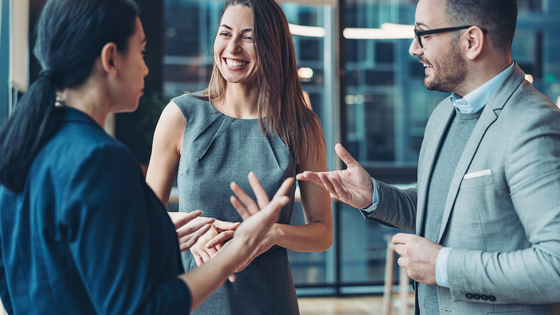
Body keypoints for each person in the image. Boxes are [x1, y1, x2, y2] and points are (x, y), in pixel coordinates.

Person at [0, 0, 294, 314]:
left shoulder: (24, 146)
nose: (146, 68)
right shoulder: (101, 159)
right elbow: (142, 308)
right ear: (111, 58)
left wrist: (155, 229)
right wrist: (237, 251)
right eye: (141, 52)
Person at [297, 0, 560, 314]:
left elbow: (555, 266)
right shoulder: (443, 115)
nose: (413, 48)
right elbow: (442, 213)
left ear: (471, 41)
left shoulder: (532, 123)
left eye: (424, 35)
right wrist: (375, 196)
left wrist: (444, 266)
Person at [146, 0, 333, 313]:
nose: (232, 48)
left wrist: (274, 233)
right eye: (225, 33)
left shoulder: (301, 126)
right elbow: (144, 222)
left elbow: (323, 233)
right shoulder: (181, 115)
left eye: (248, 37)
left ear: (273, 46)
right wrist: (193, 233)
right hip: (191, 300)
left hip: (270, 303)